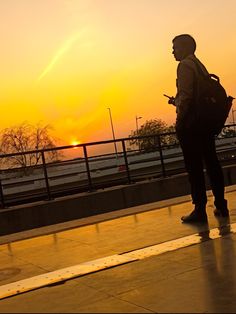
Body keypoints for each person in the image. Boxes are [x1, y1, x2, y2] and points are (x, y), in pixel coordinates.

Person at [169, 34, 229, 223]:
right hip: (205, 123)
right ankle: (221, 204)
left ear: (185, 47)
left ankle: (199, 210)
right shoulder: (199, 65)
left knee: (194, 167)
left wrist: (179, 117)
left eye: (175, 47)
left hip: (192, 125)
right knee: (212, 163)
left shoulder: (184, 65)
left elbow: (186, 97)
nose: (172, 51)